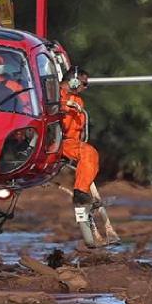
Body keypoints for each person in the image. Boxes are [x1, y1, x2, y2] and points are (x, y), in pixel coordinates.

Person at [59, 67, 100, 228]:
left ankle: (81, 193)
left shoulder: (78, 101)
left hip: (67, 144)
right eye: (84, 84)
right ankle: (81, 193)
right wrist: (64, 105)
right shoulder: (51, 94)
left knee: (89, 153)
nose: (85, 87)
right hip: (48, 142)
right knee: (87, 151)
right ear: (74, 82)